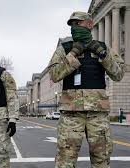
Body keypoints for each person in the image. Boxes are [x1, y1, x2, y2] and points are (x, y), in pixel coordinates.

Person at [48, 12, 125, 168]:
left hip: (97, 113)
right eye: (72, 25)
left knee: (101, 159)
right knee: (65, 160)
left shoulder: (103, 47)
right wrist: (73, 54)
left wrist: (103, 55)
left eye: (78, 23)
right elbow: (54, 75)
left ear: (89, 24)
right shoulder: (65, 48)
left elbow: (118, 74)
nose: (74, 28)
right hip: (71, 113)